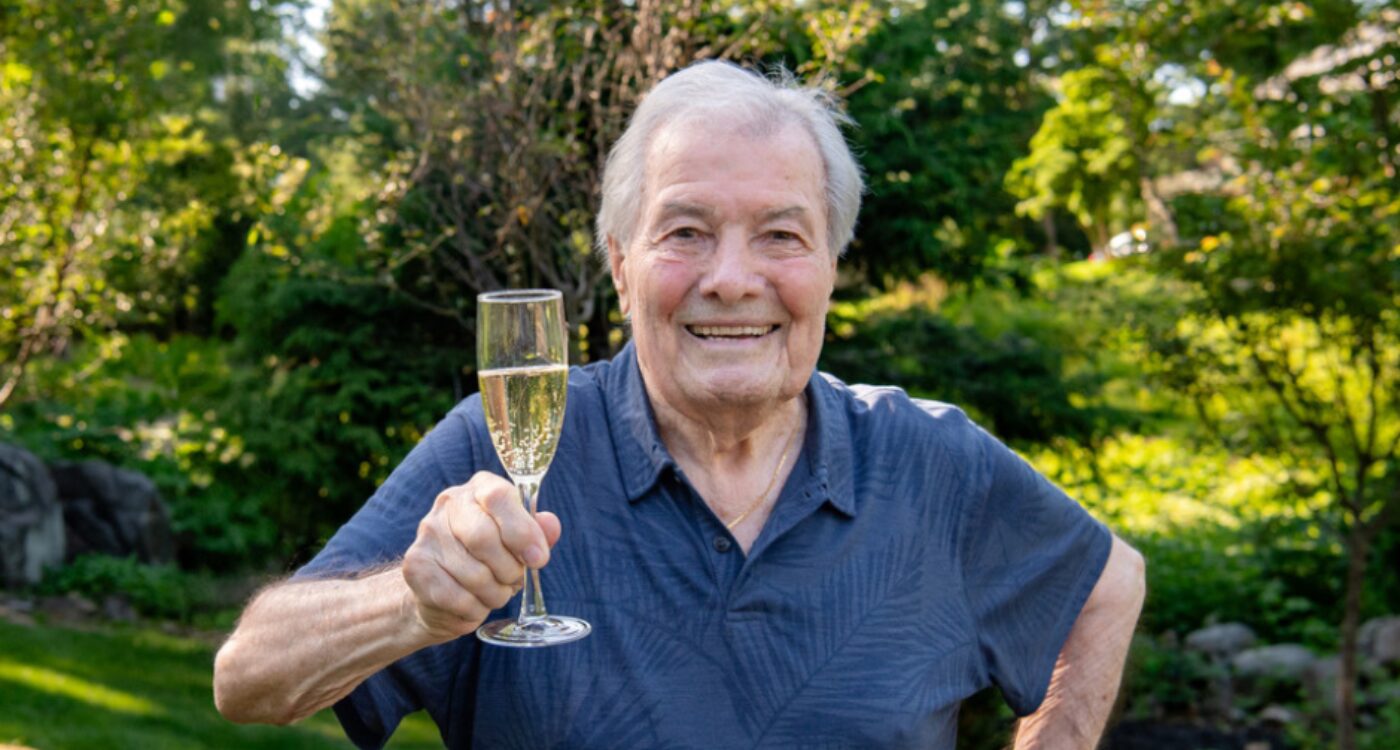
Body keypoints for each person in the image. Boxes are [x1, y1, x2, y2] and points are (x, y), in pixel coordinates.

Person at [213, 60, 1145, 749]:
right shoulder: (504, 448)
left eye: (781, 235)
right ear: (621, 265)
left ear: (828, 268)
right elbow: (247, 678)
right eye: (686, 233)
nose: (731, 280)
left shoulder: (931, 461)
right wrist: (410, 606)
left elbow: (1109, 582)